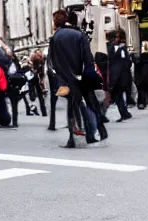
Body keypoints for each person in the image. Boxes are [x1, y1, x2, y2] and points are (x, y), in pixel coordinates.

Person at [48, 9, 107, 147]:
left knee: (72, 107)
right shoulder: (79, 35)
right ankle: (98, 132)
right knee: (91, 104)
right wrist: (89, 75)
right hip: (82, 76)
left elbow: (53, 62)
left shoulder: (55, 38)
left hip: (68, 78)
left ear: (55, 22)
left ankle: (72, 139)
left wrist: (61, 79)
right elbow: (88, 58)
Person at [109, 29, 133, 122]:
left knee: (116, 95)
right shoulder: (119, 49)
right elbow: (127, 63)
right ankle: (124, 113)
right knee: (117, 95)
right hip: (119, 75)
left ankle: (124, 113)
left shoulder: (116, 48)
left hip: (118, 76)